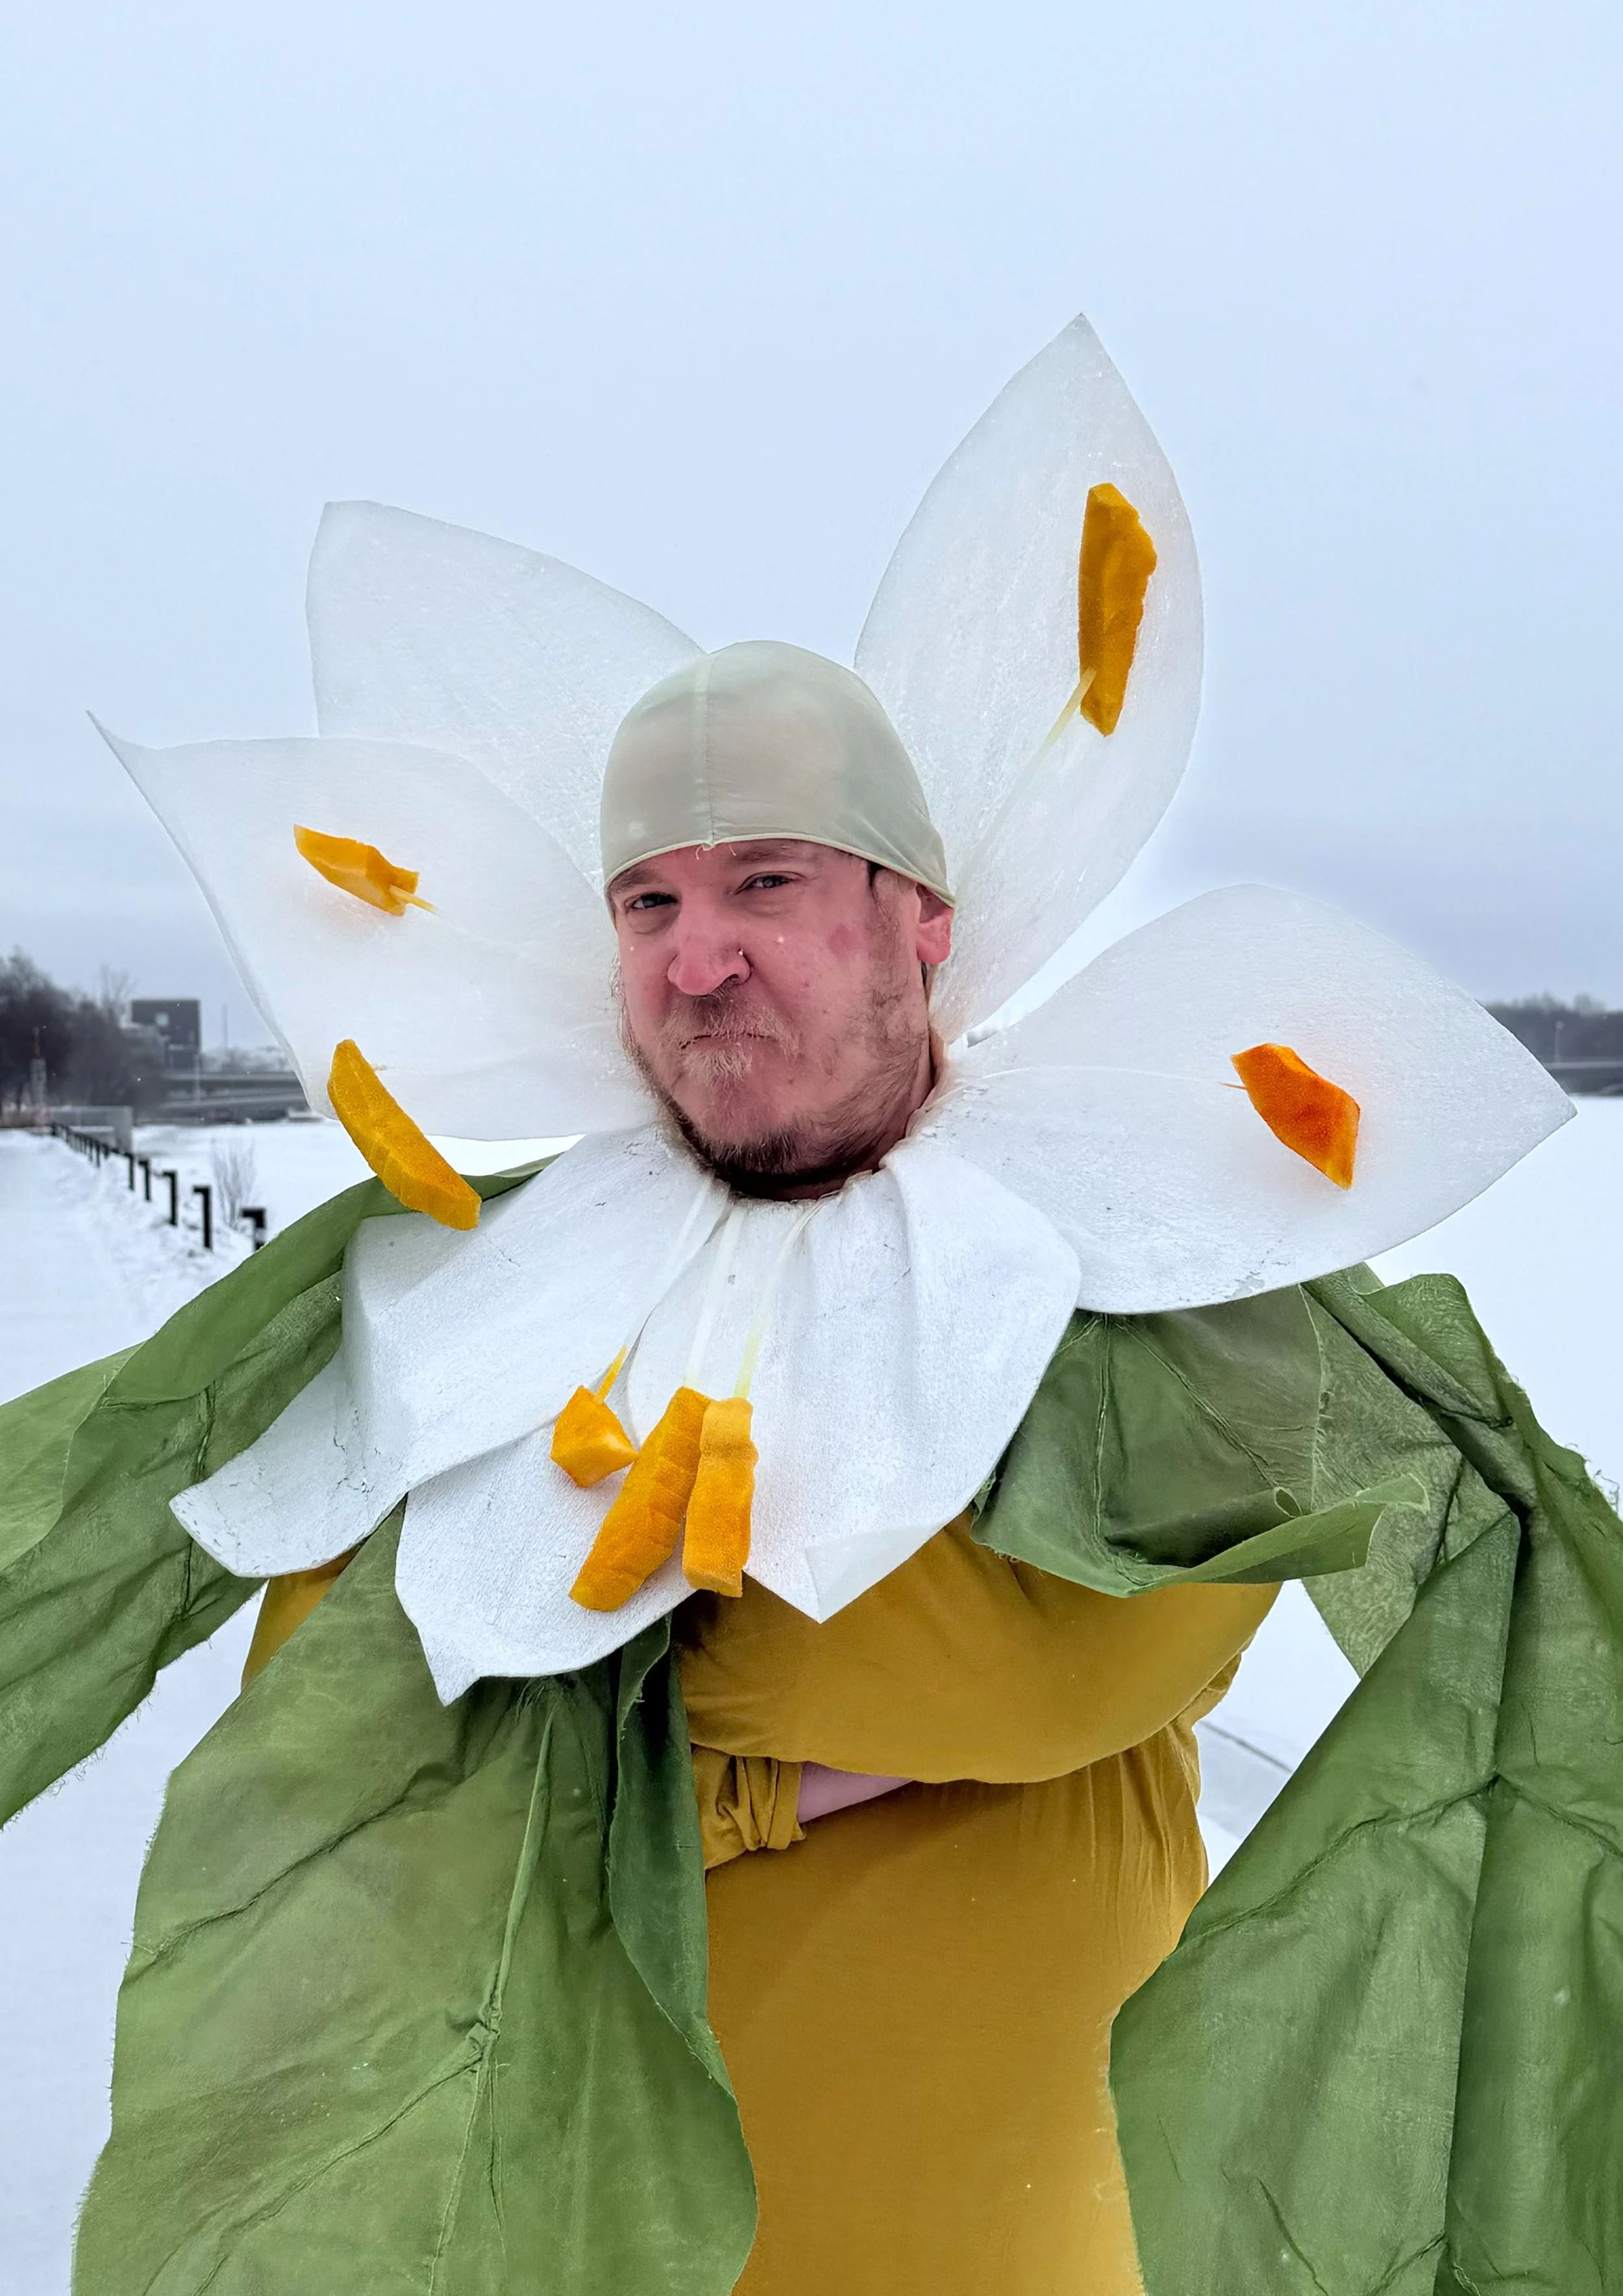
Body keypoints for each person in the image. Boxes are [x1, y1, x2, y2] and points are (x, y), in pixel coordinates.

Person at [2, 315, 1616, 2296]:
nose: (697, 962)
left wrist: (630, 1718)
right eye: (648, 905)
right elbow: (328, 1683)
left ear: (915, 924)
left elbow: (1075, 1661)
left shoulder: (1147, 1226)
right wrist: (763, 1704)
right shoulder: (504, 1269)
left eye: (766, 883)